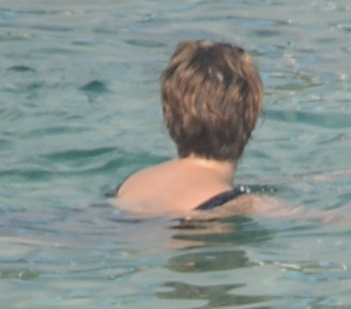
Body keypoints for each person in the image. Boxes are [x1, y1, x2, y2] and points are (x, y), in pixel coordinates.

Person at [115, 33, 270, 217]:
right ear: (251, 118)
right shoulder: (242, 203)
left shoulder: (132, 184)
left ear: (169, 115)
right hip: (198, 220)